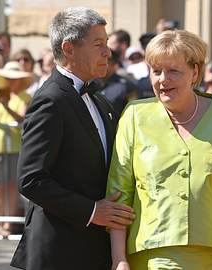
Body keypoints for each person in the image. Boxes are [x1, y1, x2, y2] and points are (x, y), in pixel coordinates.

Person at [106, 29, 212, 270]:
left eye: (173, 71)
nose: (162, 79)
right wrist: (119, 259)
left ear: (195, 72)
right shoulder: (134, 115)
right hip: (152, 256)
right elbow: (120, 194)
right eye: (156, 71)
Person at [10, 7, 135, 270]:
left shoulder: (99, 99)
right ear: (69, 48)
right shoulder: (50, 100)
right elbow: (31, 179)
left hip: (94, 249)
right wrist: (92, 211)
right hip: (59, 251)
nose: (107, 52)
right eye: (99, 44)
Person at [0, 61, 32, 237]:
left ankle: (9, 223)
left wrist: (6, 107)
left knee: (12, 186)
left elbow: (23, 118)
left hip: (14, 146)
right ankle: (0, 221)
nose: (10, 81)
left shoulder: (26, 97)